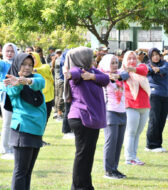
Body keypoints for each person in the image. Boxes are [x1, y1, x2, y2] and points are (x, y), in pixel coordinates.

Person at [64, 47, 109, 190]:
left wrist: (92, 76)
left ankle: (86, 185)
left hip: (91, 118)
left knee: (88, 154)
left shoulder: (93, 72)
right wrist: (72, 72)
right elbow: (73, 73)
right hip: (81, 118)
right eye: (91, 57)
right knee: (83, 154)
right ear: (82, 59)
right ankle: (78, 187)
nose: (94, 59)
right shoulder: (77, 73)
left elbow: (106, 79)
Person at [3, 53, 47, 190]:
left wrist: (26, 81)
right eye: (24, 64)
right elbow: (13, 91)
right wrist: (18, 83)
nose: (27, 67)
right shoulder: (10, 82)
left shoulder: (36, 78)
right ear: (17, 65)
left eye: (30, 64)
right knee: (21, 172)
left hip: (37, 129)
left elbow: (41, 83)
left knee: (28, 171)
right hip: (23, 129)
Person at [98, 54, 127, 179]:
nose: (115, 65)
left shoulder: (120, 73)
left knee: (119, 143)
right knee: (111, 142)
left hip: (122, 112)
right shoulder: (103, 76)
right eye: (112, 63)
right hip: (110, 112)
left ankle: (115, 168)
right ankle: (108, 170)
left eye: (116, 62)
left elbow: (127, 75)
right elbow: (105, 80)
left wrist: (118, 76)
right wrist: (113, 77)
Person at [122, 51, 150, 165]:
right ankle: (129, 157)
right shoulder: (123, 72)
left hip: (145, 106)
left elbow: (144, 70)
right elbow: (121, 77)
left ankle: (134, 156)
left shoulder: (141, 68)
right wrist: (126, 71)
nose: (132, 61)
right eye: (129, 58)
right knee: (131, 132)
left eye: (134, 58)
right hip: (131, 105)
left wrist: (132, 69)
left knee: (137, 133)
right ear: (124, 60)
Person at [145, 48, 168, 153]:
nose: (155, 57)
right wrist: (153, 69)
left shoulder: (165, 63)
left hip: (165, 95)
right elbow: (148, 70)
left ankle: (158, 144)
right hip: (154, 95)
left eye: (157, 54)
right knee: (154, 120)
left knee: (162, 120)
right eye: (153, 55)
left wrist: (157, 69)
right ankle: (150, 145)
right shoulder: (147, 65)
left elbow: (165, 68)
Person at [0, 43, 18, 160]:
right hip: (6, 96)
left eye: (12, 51)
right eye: (7, 51)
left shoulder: (18, 63)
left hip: (17, 97)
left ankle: (12, 147)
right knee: (7, 123)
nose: (9, 53)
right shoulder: (2, 63)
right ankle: (5, 148)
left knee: (14, 123)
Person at [31, 52, 54, 123]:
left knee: (45, 119)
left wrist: (34, 70)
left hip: (47, 98)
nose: (32, 60)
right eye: (30, 58)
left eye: (34, 58)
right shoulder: (27, 70)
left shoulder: (45, 66)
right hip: (34, 98)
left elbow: (44, 70)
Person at [51, 49, 64, 121]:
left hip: (56, 81)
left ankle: (56, 112)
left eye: (60, 53)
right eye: (58, 53)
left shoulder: (55, 60)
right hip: (60, 81)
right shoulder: (59, 60)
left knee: (57, 96)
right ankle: (59, 113)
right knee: (60, 97)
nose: (59, 54)